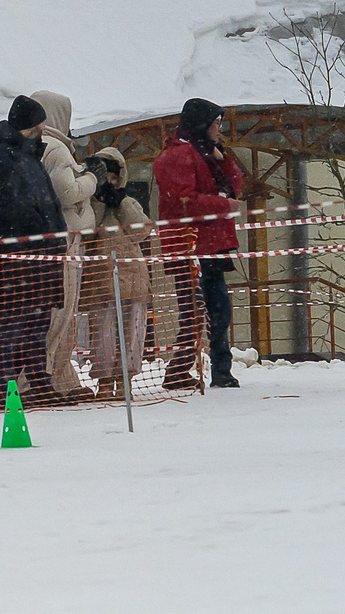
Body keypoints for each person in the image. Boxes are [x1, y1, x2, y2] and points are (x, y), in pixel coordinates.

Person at [0, 95, 66, 405]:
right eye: (38, 126)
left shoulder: (27, 157)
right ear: (27, 127)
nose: (41, 131)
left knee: (38, 323)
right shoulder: (3, 158)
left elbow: (45, 202)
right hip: (20, 257)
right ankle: (7, 389)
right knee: (14, 323)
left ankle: (38, 382)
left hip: (41, 255)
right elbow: (7, 207)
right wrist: (37, 231)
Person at [153, 97, 246, 390]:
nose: (219, 130)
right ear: (202, 124)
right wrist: (223, 205)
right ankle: (182, 369)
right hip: (190, 246)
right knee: (197, 310)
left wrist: (224, 159)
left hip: (210, 243)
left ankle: (219, 368)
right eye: (216, 124)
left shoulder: (207, 154)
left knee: (217, 310)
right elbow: (185, 204)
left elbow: (238, 185)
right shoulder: (178, 156)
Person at [31, 90, 99, 399]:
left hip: (52, 238)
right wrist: (92, 179)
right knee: (61, 312)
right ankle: (48, 377)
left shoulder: (40, 146)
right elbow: (68, 192)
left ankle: (54, 374)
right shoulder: (56, 149)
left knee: (51, 314)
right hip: (67, 240)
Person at [76, 151, 154, 395]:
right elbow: (86, 234)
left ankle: (126, 379)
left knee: (132, 333)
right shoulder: (88, 206)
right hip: (100, 280)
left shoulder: (128, 202)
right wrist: (98, 202)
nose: (109, 183)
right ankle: (105, 379)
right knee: (102, 334)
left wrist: (119, 202)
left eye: (113, 178)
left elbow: (141, 231)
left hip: (133, 277)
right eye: (104, 178)